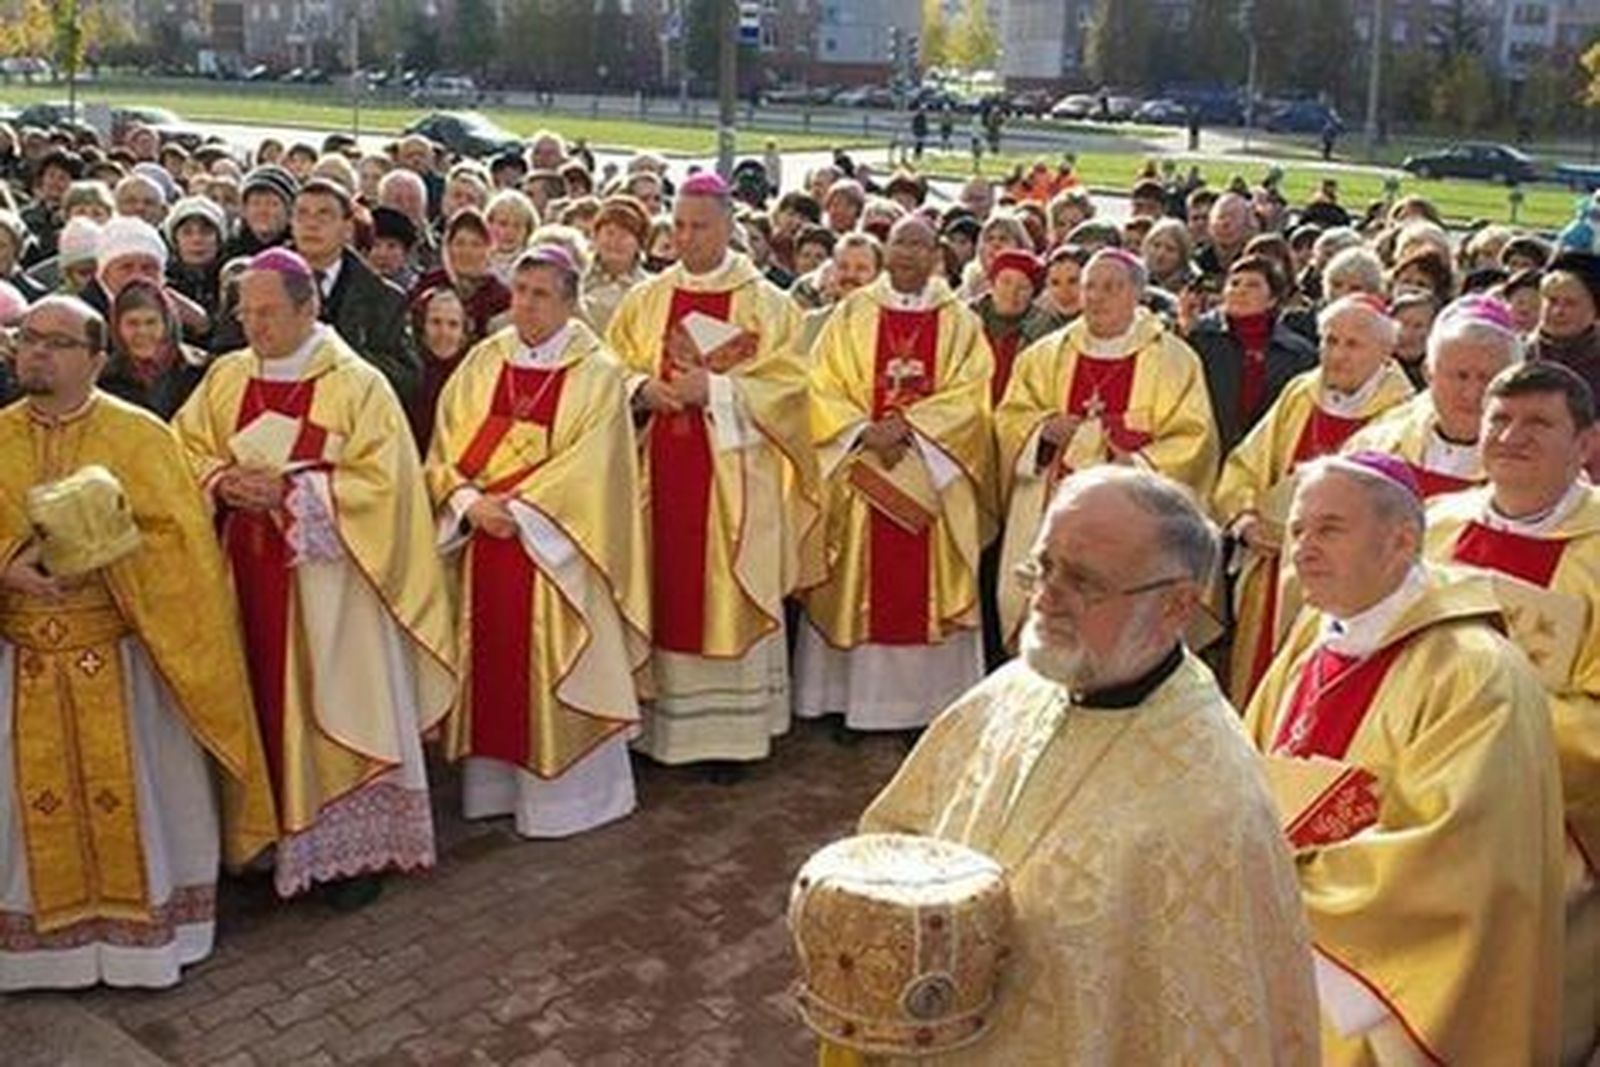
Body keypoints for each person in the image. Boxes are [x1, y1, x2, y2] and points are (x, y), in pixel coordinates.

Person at [821, 467, 1319, 1065]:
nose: (1047, 597)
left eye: (1083, 582)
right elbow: (899, 833)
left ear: (1177, 605)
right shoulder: (1012, 690)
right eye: (1043, 566)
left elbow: (1215, 1030)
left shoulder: (1215, 803)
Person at [1244, 452, 1564, 1065]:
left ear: (1402, 541)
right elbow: (1250, 770)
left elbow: (1458, 857)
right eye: (1298, 530)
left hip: (1375, 988)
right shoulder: (1316, 637)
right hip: (1283, 959)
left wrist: (1275, 888)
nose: (1303, 549)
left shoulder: (1474, 671)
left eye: (1330, 529)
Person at [0, 295, 277, 989]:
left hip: (122, 659)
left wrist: (107, 550)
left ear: (97, 359)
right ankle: (43, 954)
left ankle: (142, 944)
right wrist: (7, 561)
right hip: (23, 660)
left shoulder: (141, 436)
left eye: (57, 342)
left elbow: (183, 550)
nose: (36, 352)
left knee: (144, 802)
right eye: (29, 339)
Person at [173, 249, 456, 908]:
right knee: (252, 693)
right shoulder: (226, 376)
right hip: (242, 570)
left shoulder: (357, 385)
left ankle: (348, 855)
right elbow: (183, 448)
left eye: (269, 312)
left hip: (333, 591)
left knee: (337, 704)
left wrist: (295, 491)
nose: (255, 325)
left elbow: (389, 488)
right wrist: (220, 479)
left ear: (310, 307)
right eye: (246, 311)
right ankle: (258, 835)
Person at [426, 246, 649, 838]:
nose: (525, 304)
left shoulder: (598, 371)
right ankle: (495, 790)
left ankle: (571, 804)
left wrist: (518, 513)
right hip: (486, 541)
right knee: (493, 656)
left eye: (541, 293)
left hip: (558, 556)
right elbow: (446, 445)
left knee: (553, 663)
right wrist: (472, 505)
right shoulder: (485, 360)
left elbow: (594, 469)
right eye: (520, 290)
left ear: (571, 301)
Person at [605, 173, 819, 774]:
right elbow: (607, 369)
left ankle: (730, 739)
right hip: (657, 470)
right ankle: (657, 731)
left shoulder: (766, 304)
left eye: (699, 226)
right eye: (677, 224)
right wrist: (640, 388)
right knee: (658, 582)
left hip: (733, 486)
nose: (685, 236)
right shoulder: (646, 299)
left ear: (728, 225)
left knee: (722, 589)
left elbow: (792, 390)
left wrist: (717, 390)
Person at [1423, 361, 1600, 1065]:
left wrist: (1487, 729)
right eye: (1500, 419)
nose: (1511, 436)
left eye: (1539, 423)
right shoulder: (1433, 528)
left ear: (1585, 442)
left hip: (1550, 817)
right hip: (1416, 797)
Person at [796, 216, 995, 732]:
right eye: (899, 242)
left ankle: (926, 708)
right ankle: (849, 703)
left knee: (924, 578)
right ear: (886, 249)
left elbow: (973, 399)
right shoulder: (853, 313)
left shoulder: (960, 322)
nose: (907, 252)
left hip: (930, 475)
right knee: (855, 574)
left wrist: (908, 428)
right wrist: (862, 431)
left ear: (936, 256)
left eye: (919, 244)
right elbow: (820, 383)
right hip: (860, 466)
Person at [993, 249, 1218, 652]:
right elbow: (1009, 417)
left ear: (1136, 294)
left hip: (1132, 523)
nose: (1096, 297)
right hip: (1051, 509)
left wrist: (1133, 458)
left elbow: (1194, 439)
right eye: (1089, 286)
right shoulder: (1046, 354)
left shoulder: (1173, 360)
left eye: (1110, 287)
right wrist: (1042, 429)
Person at [1212, 294, 1414, 705]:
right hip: (1272, 570)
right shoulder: (1301, 393)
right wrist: (1246, 519)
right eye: (1330, 341)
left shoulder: (1403, 417)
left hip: (1349, 582)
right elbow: (1246, 465)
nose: (1337, 355)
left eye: (1353, 345)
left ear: (1386, 351)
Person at [1346, 294, 1520, 499]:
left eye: (1487, 378)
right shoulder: (1378, 445)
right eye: (1460, 376)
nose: (1472, 394)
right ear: (1429, 373)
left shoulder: (1536, 466)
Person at [291, 178, 420, 404]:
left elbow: (408, 380)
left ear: (348, 227)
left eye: (324, 214)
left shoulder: (385, 298)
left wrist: (343, 352)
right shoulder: (255, 284)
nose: (311, 224)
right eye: (302, 214)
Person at [1187, 254, 1320, 455]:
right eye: (1234, 283)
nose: (1240, 290)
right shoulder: (1199, 337)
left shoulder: (1298, 353)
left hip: (1265, 454)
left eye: (1253, 285)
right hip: (1204, 451)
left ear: (1272, 299)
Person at [97, 278, 209, 420]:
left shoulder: (201, 369)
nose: (143, 332)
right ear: (117, 328)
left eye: (151, 322)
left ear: (167, 324)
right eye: (132, 323)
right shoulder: (104, 379)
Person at [971, 248, 1062, 406]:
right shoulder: (966, 321)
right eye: (1005, 282)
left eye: (1023, 287)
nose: (1012, 293)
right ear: (992, 283)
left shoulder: (1045, 331)